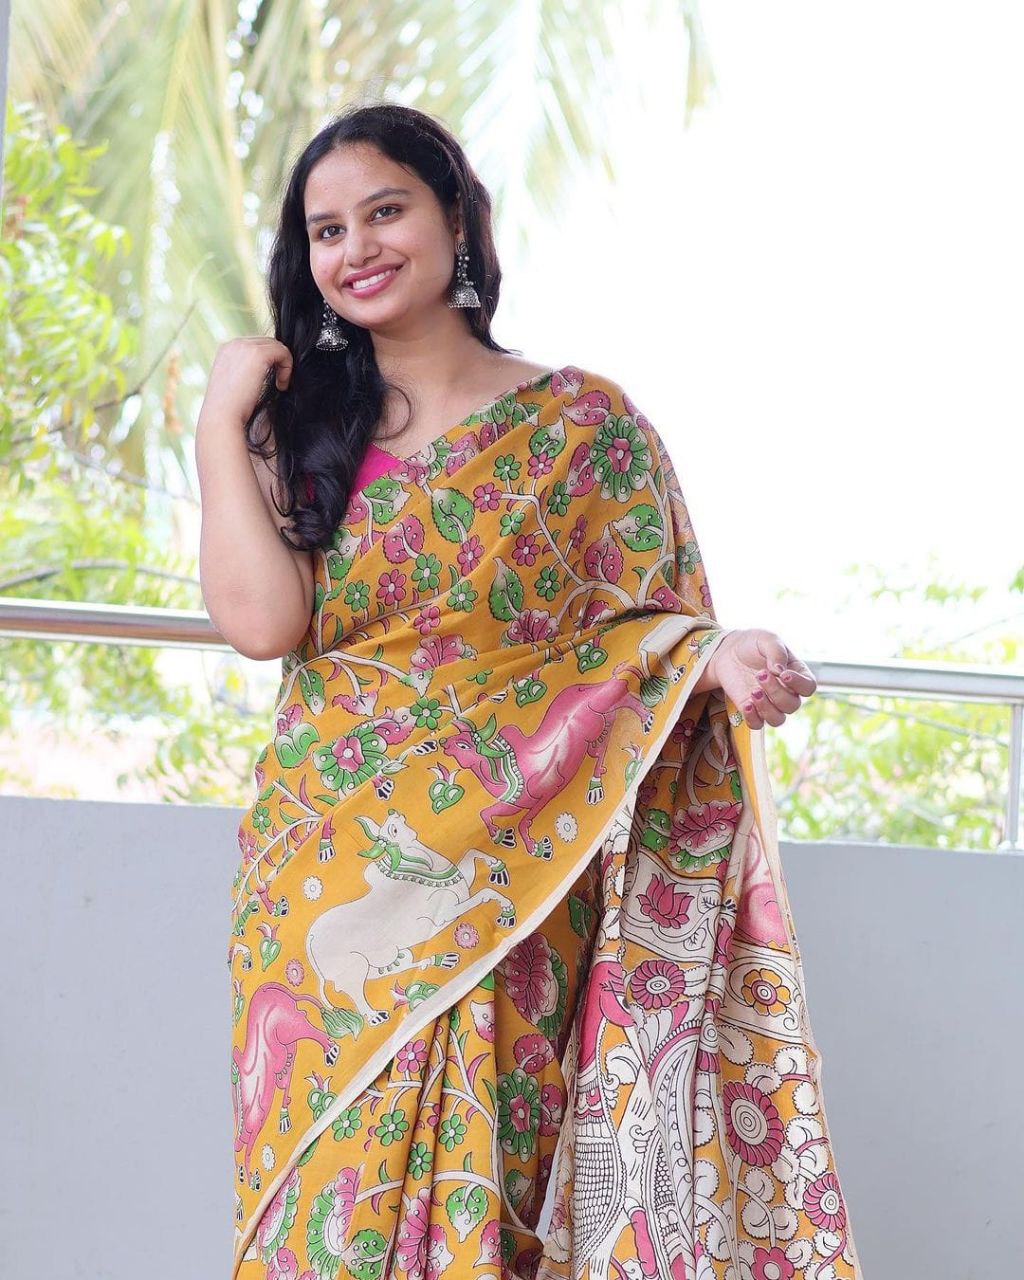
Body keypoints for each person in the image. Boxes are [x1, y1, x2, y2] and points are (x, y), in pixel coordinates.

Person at [197, 103, 862, 1280]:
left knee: (496, 1185)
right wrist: (217, 420)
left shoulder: (583, 427)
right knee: (319, 1212)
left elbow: (638, 632)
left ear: (458, 216)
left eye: (386, 210)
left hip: (509, 883)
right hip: (322, 883)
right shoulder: (296, 427)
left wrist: (712, 655)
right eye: (326, 230)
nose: (356, 247)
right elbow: (262, 625)